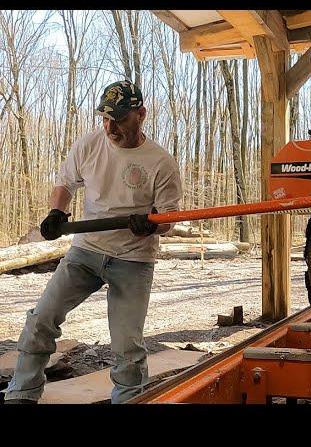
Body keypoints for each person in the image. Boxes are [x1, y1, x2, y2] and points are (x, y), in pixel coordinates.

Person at [3, 80, 182, 404]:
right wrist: (57, 211)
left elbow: (169, 219)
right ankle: (21, 395)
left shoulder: (160, 162)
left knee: (127, 347)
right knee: (40, 320)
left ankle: (130, 400)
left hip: (133, 259)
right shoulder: (88, 146)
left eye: (120, 119)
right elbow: (65, 184)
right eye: (105, 119)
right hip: (85, 252)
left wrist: (152, 224)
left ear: (140, 114)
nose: (110, 127)